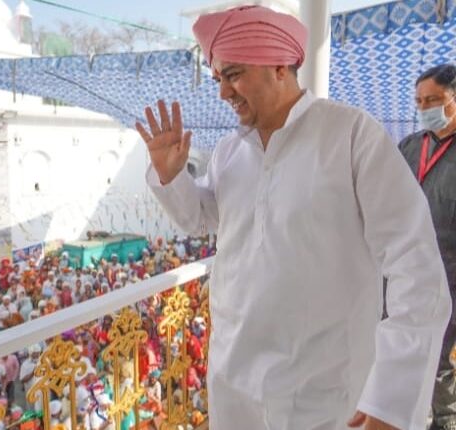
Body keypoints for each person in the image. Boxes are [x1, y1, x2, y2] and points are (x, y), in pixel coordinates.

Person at [136, 5, 451, 430]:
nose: (223, 93)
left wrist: (392, 399)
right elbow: (204, 219)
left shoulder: (352, 135)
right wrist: (171, 177)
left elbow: (416, 268)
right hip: (234, 382)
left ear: (280, 66)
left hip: (327, 391)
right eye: (218, 79)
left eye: (233, 75)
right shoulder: (230, 151)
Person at [397, 64, 456, 430]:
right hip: (405, 271)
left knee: (438, 361)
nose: (424, 108)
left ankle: (444, 422)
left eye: (433, 100)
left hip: (450, 277)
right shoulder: (409, 146)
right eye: (419, 101)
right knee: (399, 352)